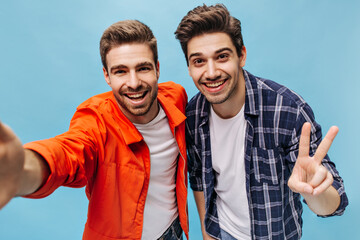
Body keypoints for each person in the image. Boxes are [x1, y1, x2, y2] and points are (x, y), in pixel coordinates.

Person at [0, 20, 188, 240]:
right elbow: (68, 152)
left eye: (143, 68)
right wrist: (22, 170)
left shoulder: (176, 97)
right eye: (120, 71)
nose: (134, 82)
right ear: (107, 76)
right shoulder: (95, 119)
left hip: (172, 231)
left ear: (157, 68)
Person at [175, 4, 348, 240]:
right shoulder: (193, 113)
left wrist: (315, 191)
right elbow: (197, 177)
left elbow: (333, 205)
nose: (211, 72)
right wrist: (208, 235)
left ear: (242, 55)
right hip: (221, 233)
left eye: (222, 56)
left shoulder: (288, 110)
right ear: (189, 67)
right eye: (199, 61)